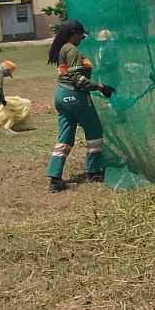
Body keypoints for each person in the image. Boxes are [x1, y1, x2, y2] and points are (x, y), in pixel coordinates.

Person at [46, 20, 115, 193]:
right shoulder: (72, 50)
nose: (82, 39)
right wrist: (101, 87)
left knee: (65, 139)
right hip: (75, 96)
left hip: (61, 95)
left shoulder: (63, 48)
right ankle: (93, 172)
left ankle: (55, 179)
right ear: (73, 33)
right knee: (95, 133)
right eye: (80, 35)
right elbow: (78, 79)